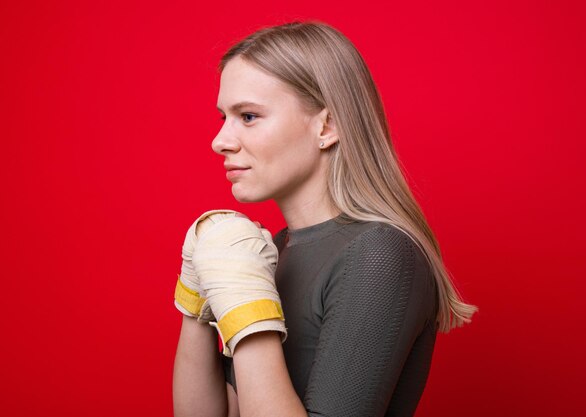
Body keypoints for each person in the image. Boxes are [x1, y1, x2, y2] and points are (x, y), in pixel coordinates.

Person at [172, 20, 478, 417]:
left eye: (247, 116)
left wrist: (247, 313)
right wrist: (196, 296)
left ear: (327, 125)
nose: (220, 142)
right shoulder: (270, 250)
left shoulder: (379, 255)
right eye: (223, 118)